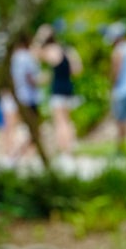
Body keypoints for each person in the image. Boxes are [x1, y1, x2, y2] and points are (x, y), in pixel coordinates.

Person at [39, 21, 81, 156]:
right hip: (68, 87)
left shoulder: (51, 50)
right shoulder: (67, 50)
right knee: (67, 121)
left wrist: (39, 36)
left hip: (57, 90)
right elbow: (77, 70)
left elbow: (35, 53)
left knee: (60, 122)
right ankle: (71, 147)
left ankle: (64, 150)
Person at [9, 35, 43, 160]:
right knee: (34, 128)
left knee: (13, 126)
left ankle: (11, 154)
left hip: (15, 95)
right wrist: (43, 79)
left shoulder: (13, 58)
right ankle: (25, 154)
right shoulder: (27, 57)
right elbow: (31, 78)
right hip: (28, 96)